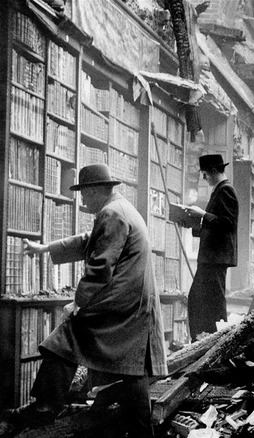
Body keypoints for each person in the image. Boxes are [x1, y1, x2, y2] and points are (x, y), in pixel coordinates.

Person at [8, 163, 167, 437]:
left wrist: (79, 303)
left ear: (95, 190)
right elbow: (89, 241)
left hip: (123, 305)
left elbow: (100, 266)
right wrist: (47, 247)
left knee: (65, 338)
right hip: (134, 305)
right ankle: (143, 431)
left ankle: (45, 408)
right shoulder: (119, 208)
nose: (82, 199)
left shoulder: (112, 213)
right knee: (133, 369)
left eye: (83, 193)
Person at [181, 154, 238, 340]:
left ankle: (214, 340)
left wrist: (203, 215)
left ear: (213, 170)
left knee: (209, 303)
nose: (204, 178)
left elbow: (229, 223)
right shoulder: (219, 190)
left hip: (216, 258)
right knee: (201, 301)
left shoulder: (226, 190)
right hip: (212, 258)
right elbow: (216, 225)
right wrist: (193, 222)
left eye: (205, 174)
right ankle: (203, 339)